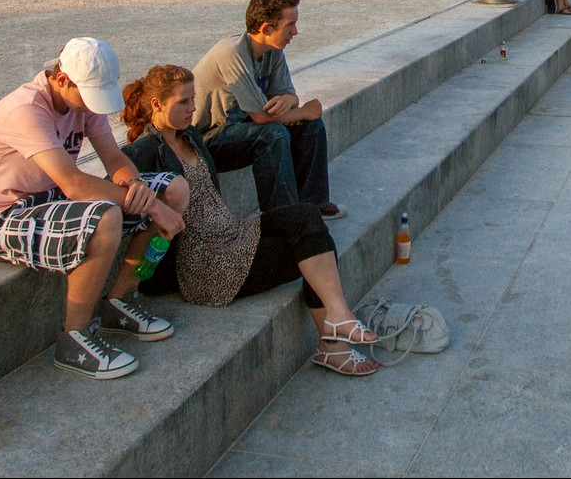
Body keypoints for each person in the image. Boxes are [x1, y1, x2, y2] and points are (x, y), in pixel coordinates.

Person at [121, 65, 379, 376]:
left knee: (307, 216)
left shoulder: (189, 135)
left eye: (193, 99)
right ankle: (333, 346)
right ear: (156, 105)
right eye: (183, 102)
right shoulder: (143, 151)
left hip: (230, 233)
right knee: (308, 249)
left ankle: (338, 315)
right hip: (204, 262)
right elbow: (125, 197)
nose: (192, 109)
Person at [0, 37, 188, 379]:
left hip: (52, 200)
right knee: (106, 217)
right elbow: (74, 183)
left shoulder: (81, 104)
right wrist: (153, 211)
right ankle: (75, 338)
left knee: (173, 189)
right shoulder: (26, 110)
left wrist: (136, 185)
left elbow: (114, 159)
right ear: (63, 78)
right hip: (4, 216)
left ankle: (118, 300)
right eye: (87, 95)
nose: (90, 106)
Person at [193, 0, 344, 220]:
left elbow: (289, 99)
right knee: (273, 134)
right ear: (266, 28)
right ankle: (283, 218)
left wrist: (291, 100)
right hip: (208, 139)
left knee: (310, 127)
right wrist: (306, 110)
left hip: (243, 129)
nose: (295, 31)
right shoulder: (232, 53)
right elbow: (261, 117)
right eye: (290, 25)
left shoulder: (273, 51)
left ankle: (314, 204)